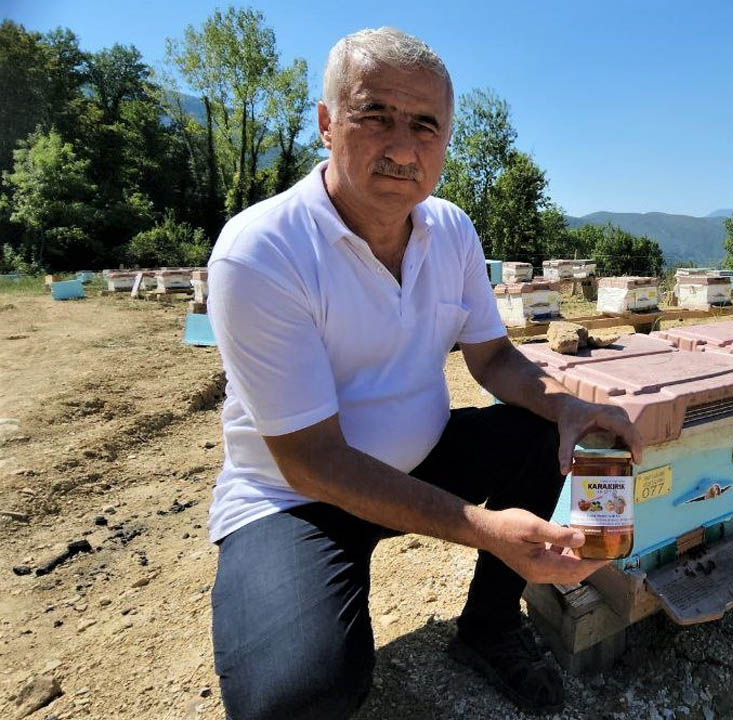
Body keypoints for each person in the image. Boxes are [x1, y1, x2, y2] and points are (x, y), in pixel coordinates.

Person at [205, 26, 643, 719]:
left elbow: (493, 359)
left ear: (444, 142)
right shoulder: (262, 251)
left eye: (424, 125)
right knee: (298, 698)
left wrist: (564, 406)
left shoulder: (451, 230)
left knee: (547, 437)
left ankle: (489, 627)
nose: (402, 147)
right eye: (374, 115)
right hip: (296, 502)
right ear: (326, 123)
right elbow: (312, 460)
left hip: (424, 457)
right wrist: (483, 528)